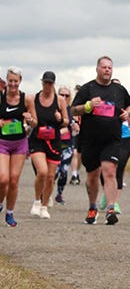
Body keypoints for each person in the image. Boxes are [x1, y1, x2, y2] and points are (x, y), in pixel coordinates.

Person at [71, 56, 130, 225]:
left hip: (112, 140)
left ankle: (111, 208)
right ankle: (92, 207)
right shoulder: (88, 89)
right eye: (104, 67)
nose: (107, 70)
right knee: (92, 176)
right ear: (97, 69)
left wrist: (127, 113)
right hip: (90, 140)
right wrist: (88, 106)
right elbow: (73, 110)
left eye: (110, 68)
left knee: (110, 171)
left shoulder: (119, 90)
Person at [0, 67, 38, 227]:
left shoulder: (27, 99)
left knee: (14, 181)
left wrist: (29, 119)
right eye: (10, 81)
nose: (13, 84)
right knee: (3, 179)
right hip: (2, 142)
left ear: (20, 81)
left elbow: (35, 122)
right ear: (6, 81)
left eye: (16, 81)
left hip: (19, 143)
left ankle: (9, 213)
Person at [28, 71, 69, 218]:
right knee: (42, 172)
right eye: (45, 82)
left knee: (51, 176)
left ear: (53, 84)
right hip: (37, 140)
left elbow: (66, 121)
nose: (47, 86)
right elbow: (29, 118)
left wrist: (59, 119)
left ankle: (44, 206)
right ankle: (37, 201)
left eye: (50, 83)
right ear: (42, 82)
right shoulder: (33, 98)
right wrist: (28, 119)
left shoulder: (60, 101)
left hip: (54, 141)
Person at [98, 78, 130, 213]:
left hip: (124, 139)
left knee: (119, 169)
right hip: (107, 137)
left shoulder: (125, 106)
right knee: (106, 170)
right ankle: (107, 193)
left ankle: (114, 202)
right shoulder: (105, 103)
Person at [54, 85, 78, 204]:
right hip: (54, 145)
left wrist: (75, 127)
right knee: (53, 172)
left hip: (67, 145)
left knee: (63, 172)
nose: (64, 97)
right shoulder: (53, 109)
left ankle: (59, 194)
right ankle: (46, 194)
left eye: (66, 95)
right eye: (61, 95)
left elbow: (75, 127)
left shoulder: (71, 111)